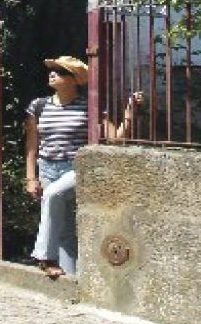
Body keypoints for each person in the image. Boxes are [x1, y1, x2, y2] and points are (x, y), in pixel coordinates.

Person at [25, 55, 141, 279]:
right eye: (52, 70)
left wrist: (129, 114)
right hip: (47, 168)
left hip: (75, 169)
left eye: (60, 71)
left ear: (74, 79)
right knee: (64, 229)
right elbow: (31, 145)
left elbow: (114, 140)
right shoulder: (38, 106)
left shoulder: (89, 106)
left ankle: (44, 256)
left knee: (53, 194)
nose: (53, 74)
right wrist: (31, 177)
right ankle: (71, 278)